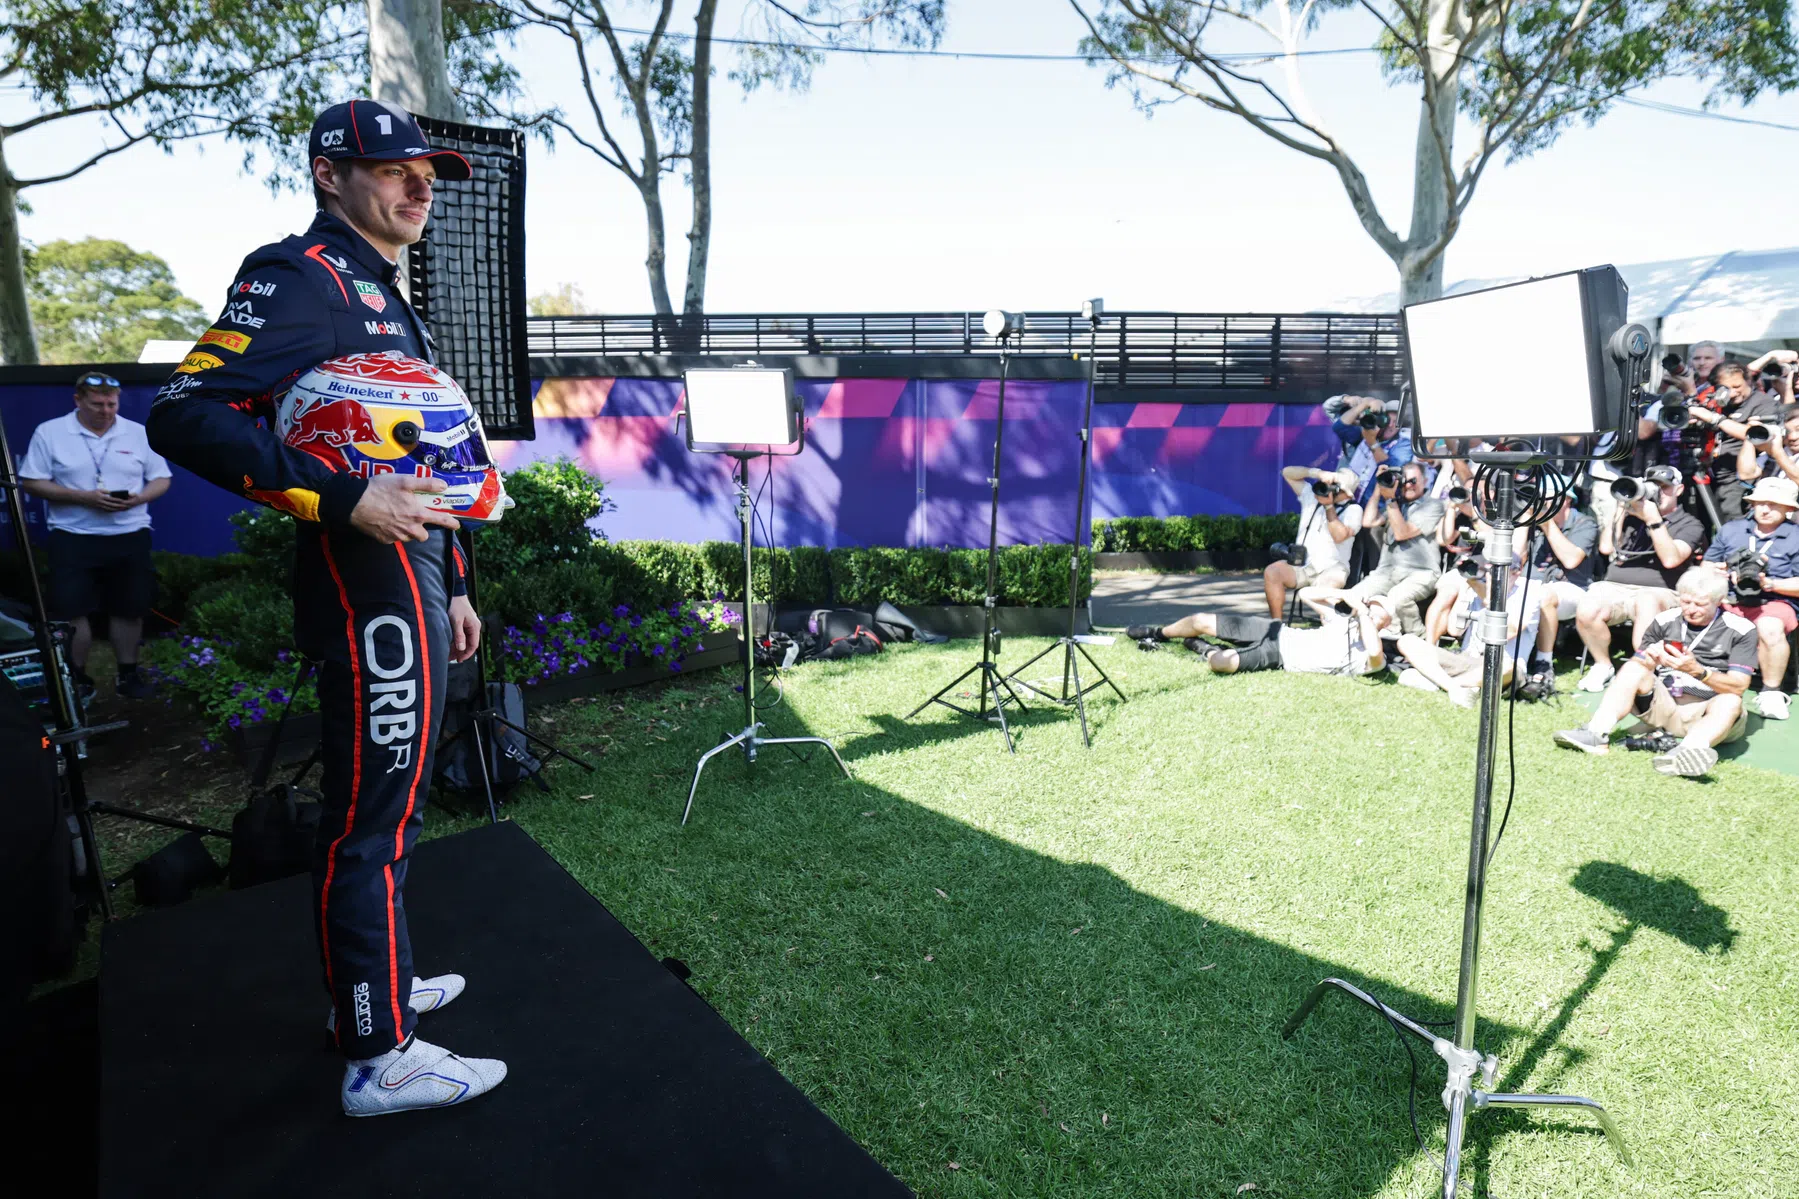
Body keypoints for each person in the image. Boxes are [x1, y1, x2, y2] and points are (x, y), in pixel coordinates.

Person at [146, 99, 506, 1117]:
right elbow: (184, 413)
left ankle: (374, 985)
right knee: (371, 817)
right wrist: (343, 497)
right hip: (364, 584)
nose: (418, 185)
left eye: (427, 171)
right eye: (395, 168)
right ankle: (377, 1053)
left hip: (416, 575)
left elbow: (422, 452)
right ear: (329, 175)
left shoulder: (386, 293)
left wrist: (460, 578)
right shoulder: (297, 277)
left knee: (392, 804)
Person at [18, 372, 171, 701]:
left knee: (130, 608)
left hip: (130, 533)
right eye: (97, 403)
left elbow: (161, 478)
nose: (105, 410)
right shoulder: (51, 432)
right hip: (73, 535)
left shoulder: (137, 432)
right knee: (72, 611)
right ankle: (77, 680)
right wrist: (84, 497)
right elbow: (31, 481)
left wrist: (139, 498)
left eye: (111, 403)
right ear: (78, 400)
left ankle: (128, 676)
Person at [1554, 568, 1753, 778]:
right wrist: (1649, 659)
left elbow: (1739, 686)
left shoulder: (1740, 629)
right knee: (1633, 666)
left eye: (1700, 604)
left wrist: (1698, 671)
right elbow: (1638, 664)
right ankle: (1596, 733)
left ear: (1719, 600)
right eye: (1686, 602)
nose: (1691, 609)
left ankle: (1688, 752)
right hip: (1665, 706)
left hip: (1708, 713)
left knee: (1731, 701)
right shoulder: (1666, 619)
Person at [1575, 466, 1704, 692]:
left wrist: (1654, 520)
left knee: (1647, 600)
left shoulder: (1690, 523)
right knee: (1590, 603)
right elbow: (1606, 548)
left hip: (1662, 591)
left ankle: (1641, 668)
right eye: (1653, 486)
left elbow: (1671, 559)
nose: (1658, 492)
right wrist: (1621, 510)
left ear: (1679, 489)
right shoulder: (1632, 517)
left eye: (1665, 487)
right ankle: (1602, 664)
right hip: (1617, 586)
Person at [1700, 475, 1799, 719]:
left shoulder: (1797, 536)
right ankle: (1698, 678)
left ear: (1788, 509)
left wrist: (1769, 583)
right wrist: (1725, 572)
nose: (1765, 509)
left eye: (1774, 504)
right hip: (1731, 598)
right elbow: (1706, 566)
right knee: (1695, 611)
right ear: (1752, 504)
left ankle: (1771, 692)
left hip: (1775, 601)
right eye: (1760, 503)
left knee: (1769, 626)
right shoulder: (1732, 530)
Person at [1127, 596, 1390, 678]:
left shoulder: (1370, 659)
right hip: (1278, 632)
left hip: (1279, 656)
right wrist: (1350, 601)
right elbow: (1308, 592)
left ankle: (1204, 648)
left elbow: (1376, 652)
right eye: (1370, 607)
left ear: (1386, 624)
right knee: (1200, 621)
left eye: (1378, 614)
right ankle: (1157, 633)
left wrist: (1365, 614)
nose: (1370, 614)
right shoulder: (1342, 623)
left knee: (1220, 663)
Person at [1393, 561, 1539, 708]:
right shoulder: (1476, 590)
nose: (1490, 576)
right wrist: (1465, 589)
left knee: (1506, 668)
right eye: (1487, 571)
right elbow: (1455, 630)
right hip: (1467, 658)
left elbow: (1509, 632)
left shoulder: (1530, 591)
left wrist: (1489, 601)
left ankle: (1438, 682)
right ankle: (1455, 688)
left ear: (1516, 572)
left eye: (1495, 571)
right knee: (1407, 641)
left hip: (1505, 663)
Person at [1337, 460, 1444, 635]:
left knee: (1398, 597)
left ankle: (1418, 639)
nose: (1408, 486)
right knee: (1353, 596)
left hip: (1421, 572)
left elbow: (1402, 533)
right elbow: (1368, 521)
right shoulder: (1397, 506)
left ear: (1425, 481)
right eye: (1404, 481)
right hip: (1387, 572)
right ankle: (1356, 638)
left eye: (1413, 481)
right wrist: (1380, 488)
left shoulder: (1433, 505)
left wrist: (1391, 499)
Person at [1519, 494, 1599, 695]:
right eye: (1540, 498)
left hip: (1571, 588)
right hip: (1533, 584)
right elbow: (1516, 559)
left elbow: (1571, 560)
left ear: (1568, 500)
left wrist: (1547, 523)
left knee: (1544, 595)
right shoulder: (1532, 522)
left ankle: (1543, 663)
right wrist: (1524, 522)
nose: (1543, 503)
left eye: (1550, 498)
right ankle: (1508, 662)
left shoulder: (1584, 523)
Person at [1264, 466, 1362, 618]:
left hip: (1332, 569)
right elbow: (1287, 473)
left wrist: (1329, 506)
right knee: (1272, 572)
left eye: (1337, 488)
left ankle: (1330, 630)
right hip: (1302, 564)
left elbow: (1339, 536)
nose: (1331, 490)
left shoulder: (1354, 510)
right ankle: (1276, 627)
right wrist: (1317, 473)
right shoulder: (1312, 497)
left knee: (1326, 590)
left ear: (1347, 494)